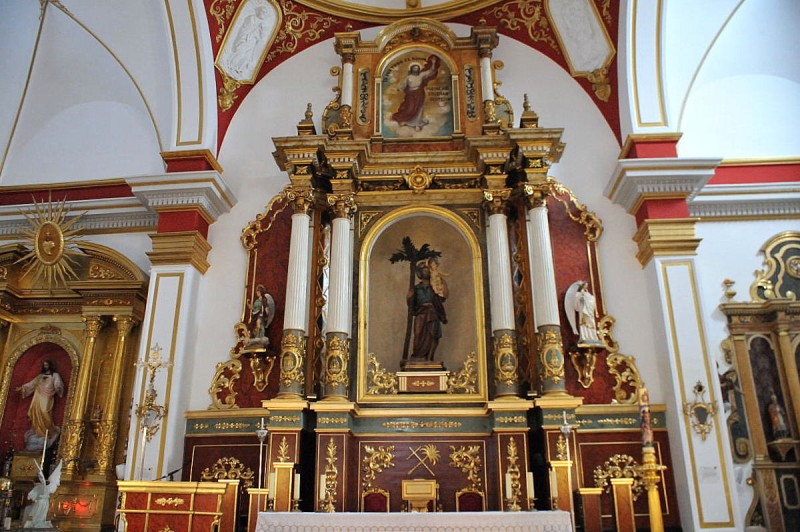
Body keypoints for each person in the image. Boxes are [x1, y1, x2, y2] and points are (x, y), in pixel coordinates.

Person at [17, 359, 64, 451]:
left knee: (44, 411)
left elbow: (58, 383)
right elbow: (32, 383)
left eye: (47, 365)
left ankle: (49, 430)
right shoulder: (40, 376)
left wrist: (58, 387)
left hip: (47, 396)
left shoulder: (55, 375)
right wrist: (22, 387)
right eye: (44, 365)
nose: (45, 366)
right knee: (36, 413)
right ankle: (39, 432)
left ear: (50, 365)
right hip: (38, 395)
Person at [407, 258, 448, 361]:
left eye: (427, 269)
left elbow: (442, 298)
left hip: (433, 314)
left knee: (433, 335)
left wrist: (442, 284)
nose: (426, 270)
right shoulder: (416, 288)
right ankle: (417, 356)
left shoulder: (434, 287)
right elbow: (411, 304)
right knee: (418, 335)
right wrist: (409, 297)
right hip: (421, 314)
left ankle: (429, 358)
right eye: (423, 269)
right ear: (419, 273)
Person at [392, 55, 441, 130]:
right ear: (411, 69)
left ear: (419, 69)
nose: (416, 69)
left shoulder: (421, 75)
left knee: (419, 108)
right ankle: (407, 121)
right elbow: (403, 85)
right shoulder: (408, 77)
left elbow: (431, 72)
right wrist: (398, 89)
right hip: (410, 95)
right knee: (409, 108)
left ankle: (417, 123)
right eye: (414, 68)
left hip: (419, 93)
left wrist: (433, 63)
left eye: (417, 68)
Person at [573, 281, 602, 346]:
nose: (586, 286)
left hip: (589, 311)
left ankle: (592, 336)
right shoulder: (579, 293)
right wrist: (582, 297)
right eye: (585, 285)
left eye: (587, 285)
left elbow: (591, 301)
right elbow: (577, 302)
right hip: (583, 310)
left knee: (591, 322)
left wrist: (591, 298)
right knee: (584, 323)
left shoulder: (588, 293)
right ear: (582, 286)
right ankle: (584, 336)